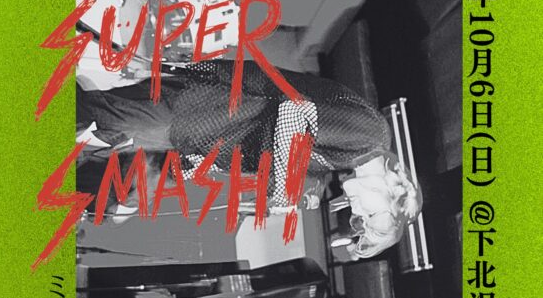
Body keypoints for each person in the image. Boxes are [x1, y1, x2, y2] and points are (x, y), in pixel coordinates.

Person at [78, 59, 422, 255]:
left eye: (360, 222)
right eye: (370, 215)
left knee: (115, 193)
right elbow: (293, 112)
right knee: (98, 121)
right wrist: (283, 188)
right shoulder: (371, 135)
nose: (356, 214)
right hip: (204, 106)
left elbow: (263, 147)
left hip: (201, 139)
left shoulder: (345, 160)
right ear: (396, 187)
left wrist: (194, 167)